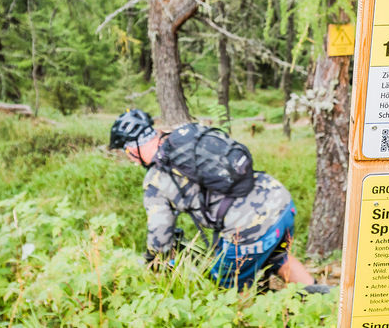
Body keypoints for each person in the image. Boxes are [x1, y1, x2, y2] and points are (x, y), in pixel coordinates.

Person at [109, 108, 330, 293]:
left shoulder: (155, 179)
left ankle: (255, 318)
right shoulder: (186, 137)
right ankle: (324, 301)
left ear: (131, 150)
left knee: (226, 290)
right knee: (277, 256)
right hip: (279, 200)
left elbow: (160, 237)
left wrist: (152, 260)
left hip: (250, 227)